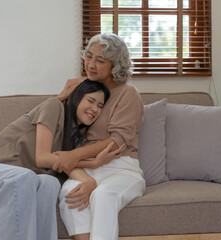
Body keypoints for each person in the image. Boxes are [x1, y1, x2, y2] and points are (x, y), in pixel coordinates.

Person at [0, 80, 112, 240]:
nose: (95, 109)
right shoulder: (54, 106)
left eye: (100, 105)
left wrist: (92, 164)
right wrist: (88, 179)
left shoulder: (75, 139)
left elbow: (63, 162)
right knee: (25, 177)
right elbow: (43, 158)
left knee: (49, 183)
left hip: (14, 179)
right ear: (77, 97)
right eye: (91, 101)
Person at [55, 33, 146, 240]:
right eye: (88, 56)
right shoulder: (83, 91)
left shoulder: (128, 93)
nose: (91, 64)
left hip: (121, 167)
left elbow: (118, 141)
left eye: (100, 60)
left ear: (115, 65)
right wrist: (62, 95)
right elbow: (54, 123)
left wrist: (74, 155)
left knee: (103, 195)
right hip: (88, 167)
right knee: (71, 193)